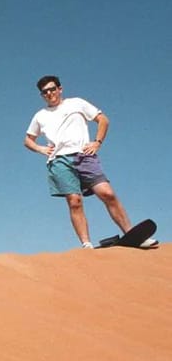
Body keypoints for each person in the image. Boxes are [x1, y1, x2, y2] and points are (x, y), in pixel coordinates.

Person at [24, 75, 151, 248]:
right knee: (74, 201)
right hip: (59, 161)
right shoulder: (40, 116)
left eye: (53, 89)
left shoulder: (77, 103)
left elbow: (102, 119)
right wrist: (41, 149)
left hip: (84, 156)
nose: (50, 93)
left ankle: (132, 234)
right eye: (45, 92)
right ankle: (86, 244)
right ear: (42, 95)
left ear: (60, 89)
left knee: (107, 193)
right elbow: (28, 140)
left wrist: (97, 142)